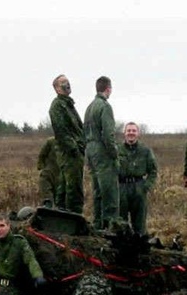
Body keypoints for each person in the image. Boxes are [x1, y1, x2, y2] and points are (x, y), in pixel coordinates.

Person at [84, 75, 119, 231]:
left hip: (90, 152)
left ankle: (98, 224)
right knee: (109, 190)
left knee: (97, 190)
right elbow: (108, 135)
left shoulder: (89, 107)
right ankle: (110, 225)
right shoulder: (105, 106)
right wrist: (114, 153)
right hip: (102, 151)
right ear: (108, 89)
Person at [48, 74, 86, 214]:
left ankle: (62, 214)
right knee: (73, 187)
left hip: (76, 151)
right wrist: (74, 148)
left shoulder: (69, 104)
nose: (67, 84)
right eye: (63, 83)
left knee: (65, 186)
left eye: (68, 81)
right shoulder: (57, 106)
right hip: (69, 153)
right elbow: (61, 132)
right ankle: (74, 216)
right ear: (57, 89)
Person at [118, 122, 158, 235]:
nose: (131, 133)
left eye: (134, 131)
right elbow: (110, 170)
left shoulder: (145, 150)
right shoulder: (117, 150)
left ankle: (139, 249)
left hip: (138, 188)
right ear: (124, 133)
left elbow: (153, 171)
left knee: (139, 226)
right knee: (120, 225)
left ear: (138, 133)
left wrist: (146, 187)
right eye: (129, 131)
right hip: (121, 189)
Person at [37, 137, 63, 208]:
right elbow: (42, 154)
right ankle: (48, 203)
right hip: (49, 171)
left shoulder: (70, 143)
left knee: (59, 196)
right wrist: (41, 166)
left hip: (62, 173)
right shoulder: (51, 141)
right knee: (45, 186)